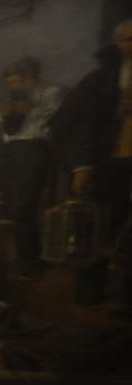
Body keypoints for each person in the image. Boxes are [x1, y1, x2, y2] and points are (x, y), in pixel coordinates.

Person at [58, 18, 132, 309]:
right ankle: (92, 283)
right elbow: (73, 125)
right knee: (101, 225)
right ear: (118, 44)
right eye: (130, 39)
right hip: (110, 164)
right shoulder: (98, 80)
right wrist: (81, 166)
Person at [0, 58, 62, 277]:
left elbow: (56, 122)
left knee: (24, 207)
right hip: (10, 154)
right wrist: (3, 114)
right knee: (12, 209)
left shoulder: (50, 92)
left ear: (29, 76)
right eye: (9, 82)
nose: (11, 86)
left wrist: (31, 111)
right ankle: (23, 257)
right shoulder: (13, 99)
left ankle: (32, 260)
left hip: (33, 152)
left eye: (14, 81)